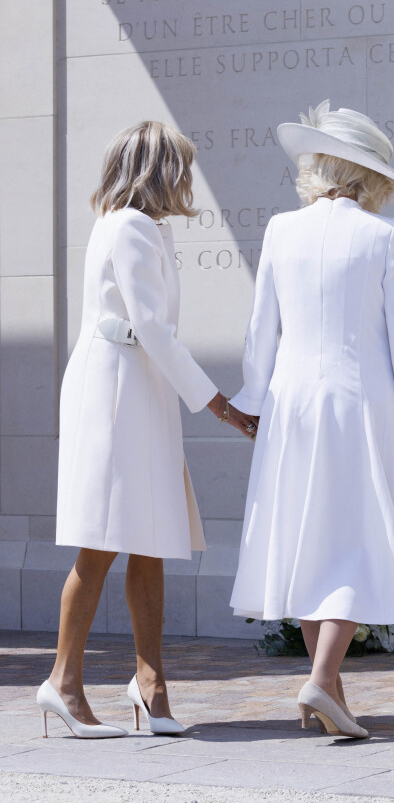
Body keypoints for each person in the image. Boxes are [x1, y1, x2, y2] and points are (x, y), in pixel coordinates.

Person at [37, 121, 257, 739]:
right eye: (181, 167)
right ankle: (63, 682)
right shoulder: (129, 226)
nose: (188, 179)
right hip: (118, 392)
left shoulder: (141, 226)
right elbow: (153, 328)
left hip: (139, 389)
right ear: (160, 171)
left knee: (152, 537)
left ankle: (150, 682)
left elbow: (153, 335)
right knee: (104, 538)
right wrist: (220, 405)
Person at [229, 101, 394, 739]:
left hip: (291, 402)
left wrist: (252, 402)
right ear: (368, 175)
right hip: (360, 401)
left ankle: (331, 693)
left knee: (314, 538)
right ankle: (320, 683)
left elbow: (261, 329)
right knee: (353, 542)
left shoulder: (279, 230)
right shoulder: (383, 237)